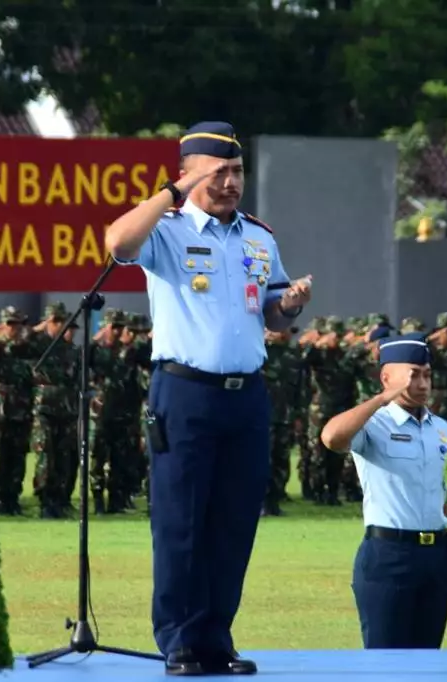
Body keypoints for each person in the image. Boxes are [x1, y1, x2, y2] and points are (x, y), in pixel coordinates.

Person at [105, 120, 312, 676]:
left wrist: (289, 306)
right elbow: (117, 242)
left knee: (234, 519)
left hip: (246, 397)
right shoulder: (168, 231)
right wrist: (173, 193)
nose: (229, 182)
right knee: (180, 520)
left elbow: (269, 311)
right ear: (189, 174)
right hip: (184, 392)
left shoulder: (258, 237)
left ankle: (216, 637)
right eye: (216, 171)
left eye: (236, 171)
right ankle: (179, 641)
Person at [320, 334, 447, 650]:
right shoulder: (373, 424)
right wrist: (381, 398)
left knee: (428, 663)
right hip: (388, 555)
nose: (422, 384)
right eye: (412, 375)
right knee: (385, 662)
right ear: (386, 377)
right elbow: (331, 438)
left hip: (437, 555)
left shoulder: (443, 429)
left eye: (426, 375)